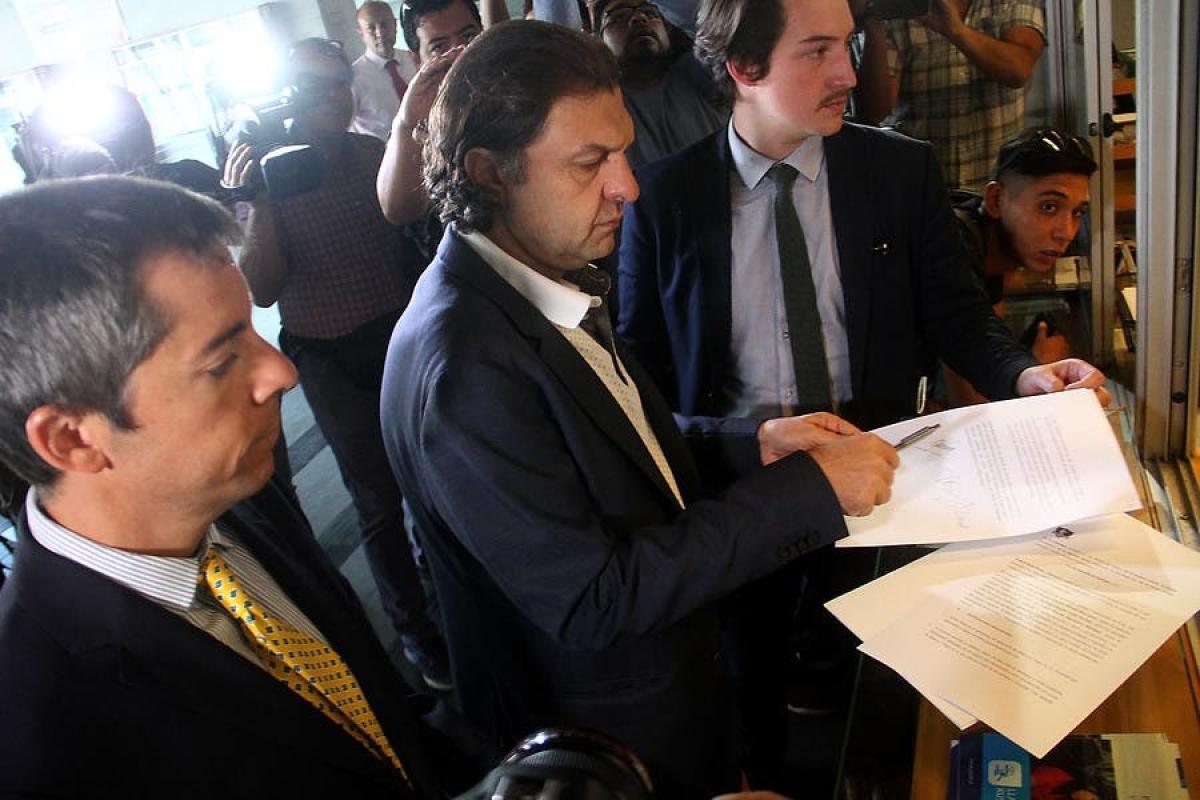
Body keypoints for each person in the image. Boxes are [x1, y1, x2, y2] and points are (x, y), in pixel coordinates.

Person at [380, 20, 899, 796]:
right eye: (590, 163)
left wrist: (752, 443)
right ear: (489, 173)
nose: (628, 185)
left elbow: (609, 447)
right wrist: (809, 493)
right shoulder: (466, 366)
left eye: (622, 152)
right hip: (613, 748)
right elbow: (592, 599)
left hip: (673, 695)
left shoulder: (532, 272)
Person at [617, 0, 1105, 782]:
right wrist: (725, 448)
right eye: (817, 51)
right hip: (746, 494)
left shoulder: (898, 171)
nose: (849, 73)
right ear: (744, 66)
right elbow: (640, 382)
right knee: (750, 689)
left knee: (882, 692)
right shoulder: (663, 199)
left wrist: (1026, 374)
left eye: (847, 44)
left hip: (885, 483)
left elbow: (957, 315)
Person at [0, 175, 446, 797]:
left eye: (253, 332)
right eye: (220, 362)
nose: (281, 372)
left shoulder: (241, 500)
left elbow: (370, 717)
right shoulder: (38, 734)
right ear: (72, 439)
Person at [224, 37, 451, 690]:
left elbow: (416, 229)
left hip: (399, 337)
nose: (335, 96)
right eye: (315, 87)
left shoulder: (372, 153)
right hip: (327, 355)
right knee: (377, 499)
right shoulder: (268, 174)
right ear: (288, 97)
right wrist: (255, 198)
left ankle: (450, 589)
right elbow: (263, 288)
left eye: (339, 83)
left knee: (434, 472)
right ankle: (413, 629)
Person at [946, 125, 1096, 403]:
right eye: (1049, 207)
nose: (1066, 232)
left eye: (1077, 212)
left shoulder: (992, 244)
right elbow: (973, 402)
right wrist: (1037, 365)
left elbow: (991, 330)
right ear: (995, 200)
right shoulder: (954, 248)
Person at [854, 0, 1047, 191]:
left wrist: (955, 30)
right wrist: (873, 24)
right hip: (919, 183)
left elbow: (1018, 69)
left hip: (997, 182)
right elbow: (873, 112)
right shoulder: (896, 11)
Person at [377, 0, 484, 225]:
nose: (460, 54)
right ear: (417, 60)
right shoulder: (418, 125)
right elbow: (399, 210)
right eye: (439, 47)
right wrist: (406, 124)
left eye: (469, 36)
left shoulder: (516, 95)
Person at [591, 0, 726, 169]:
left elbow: (717, 24)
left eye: (651, 13)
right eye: (619, 16)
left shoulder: (699, 72)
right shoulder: (597, 104)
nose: (639, 18)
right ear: (598, 41)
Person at [351, 1, 420, 141]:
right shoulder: (353, 78)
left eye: (385, 24)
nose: (380, 33)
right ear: (361, 34)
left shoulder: (414, 59)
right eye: (371, 28)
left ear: (395, 25)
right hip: (381, 152)